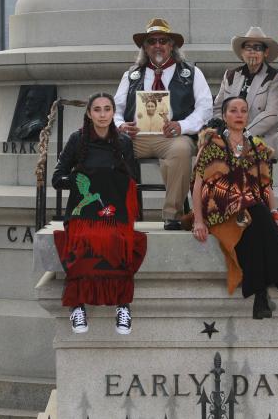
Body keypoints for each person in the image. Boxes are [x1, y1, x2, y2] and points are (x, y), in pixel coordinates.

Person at [191, 97, 278, 319]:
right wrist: (198, 221)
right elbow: (198, 184)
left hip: (249, 209)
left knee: (256, 222)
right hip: (219, 208)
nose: (239, 115)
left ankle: (260, 296)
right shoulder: (212, 144)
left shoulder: (257, 147)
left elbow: (266, 187)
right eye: (233, 111)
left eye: (243, 111)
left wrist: (276, 216)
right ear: (225, 115)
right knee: (257, 214)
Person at [52, 93, 147, 335]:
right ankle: (77, 305)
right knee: (84, 241)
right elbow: (57, 178)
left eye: (107, 109)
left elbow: (134, 178)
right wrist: (79, 180)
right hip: (83, 209)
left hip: (114, 210)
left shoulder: (123, 142)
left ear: (113, 113)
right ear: (89, 113)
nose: (102, 114)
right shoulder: (77, 140)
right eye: (97, 109)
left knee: (117, 241)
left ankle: (122, 305)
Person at [114, 18, 213, 230]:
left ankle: (172, 215)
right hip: (136, 137)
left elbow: (205, 109)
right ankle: (117, 211)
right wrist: (121, 126)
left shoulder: (191, 74)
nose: (157, 45)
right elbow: (115, 109)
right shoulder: (131, 75)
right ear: (145, 47)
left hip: (172, 137)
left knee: (181, 149)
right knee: (110, 148)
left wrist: (182, 125)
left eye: (163, 40)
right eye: (152, 41)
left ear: (171, 46)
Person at [213, 27, 278, 157]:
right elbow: (218, 109)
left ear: (266, 52)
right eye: (248, 48)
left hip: (262, 139)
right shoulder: (230, 75)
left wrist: (243, 135)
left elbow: (272, 115)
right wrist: (226, 133)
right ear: (242, 52)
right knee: (207, 152)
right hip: (228, 136)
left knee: (240, 153)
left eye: (257, 48)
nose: (252, 52)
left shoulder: (275, 77)